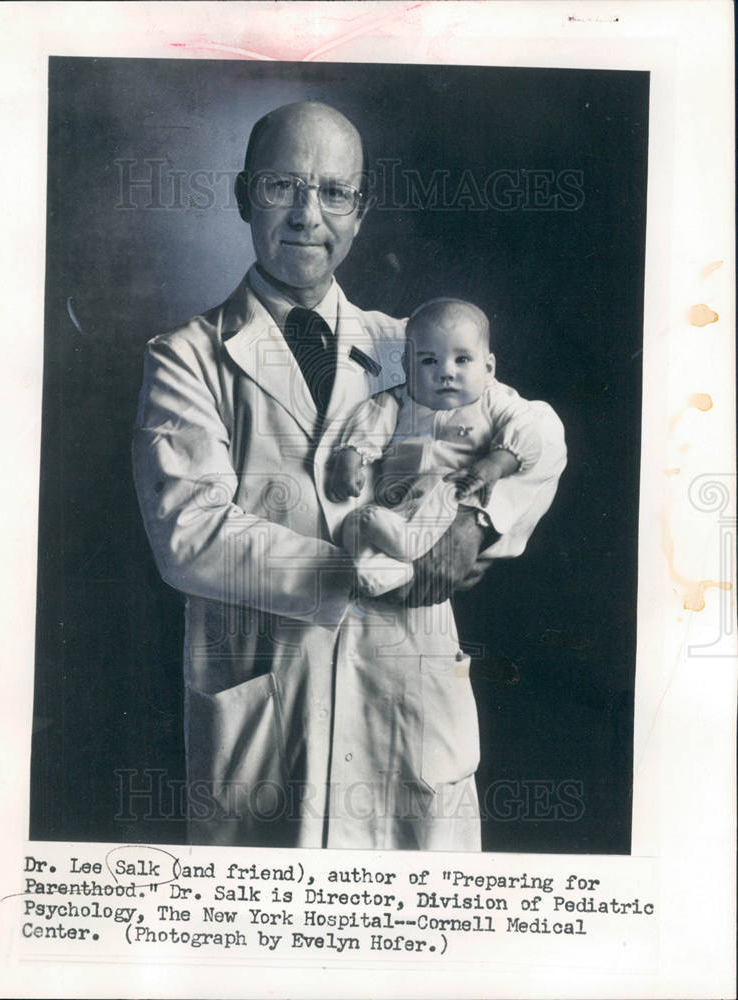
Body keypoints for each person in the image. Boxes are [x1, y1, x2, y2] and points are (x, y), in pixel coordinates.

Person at [132, 101, 566, 851]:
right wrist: (366, 572)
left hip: (408, 711)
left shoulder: (414, 347)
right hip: (268, 715)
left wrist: (478, 524)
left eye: (333, 191)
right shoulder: (187, 357)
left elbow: (536, 435)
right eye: (280, 187)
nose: (308, 215)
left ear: (360, 210)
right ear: (243, 197)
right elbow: (190, 532)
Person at [327, 298, 562, 597]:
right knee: (357, 530)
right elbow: (368, 425)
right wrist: (351, 457)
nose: (445, 372)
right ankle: (380, 573)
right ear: (407, 367)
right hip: (395, 505)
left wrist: (496, 463)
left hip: (446, 501)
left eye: (461, 360)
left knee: (404, 521)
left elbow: (533, 431)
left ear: (488, 367)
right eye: (428, 361)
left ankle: (404, 555)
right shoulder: (398, 402)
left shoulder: (492, 401)